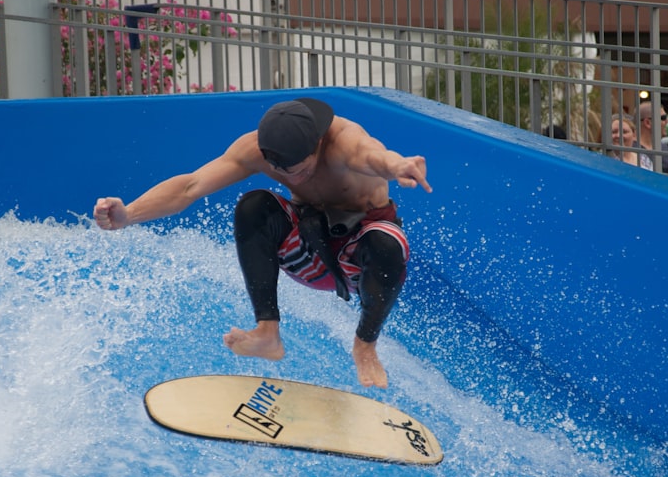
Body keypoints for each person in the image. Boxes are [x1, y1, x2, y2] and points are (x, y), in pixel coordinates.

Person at [93, 98, 431, 389]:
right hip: (310, 253)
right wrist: (129, 215)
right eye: (279, 170)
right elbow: (189, 187)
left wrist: (398, 165)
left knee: (387, 242)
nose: (291, 178)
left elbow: (375, 157)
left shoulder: (343, 141)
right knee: (254, 205)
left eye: (298, 170)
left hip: (359, 259)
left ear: (315, 145)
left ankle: (365, 346)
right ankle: (268, 334)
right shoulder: (256, 148)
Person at [638, 101, 668, 174]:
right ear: (648, 123)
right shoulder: (632, 149)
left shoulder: (663, 146)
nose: (667, 121)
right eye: (663, 118)